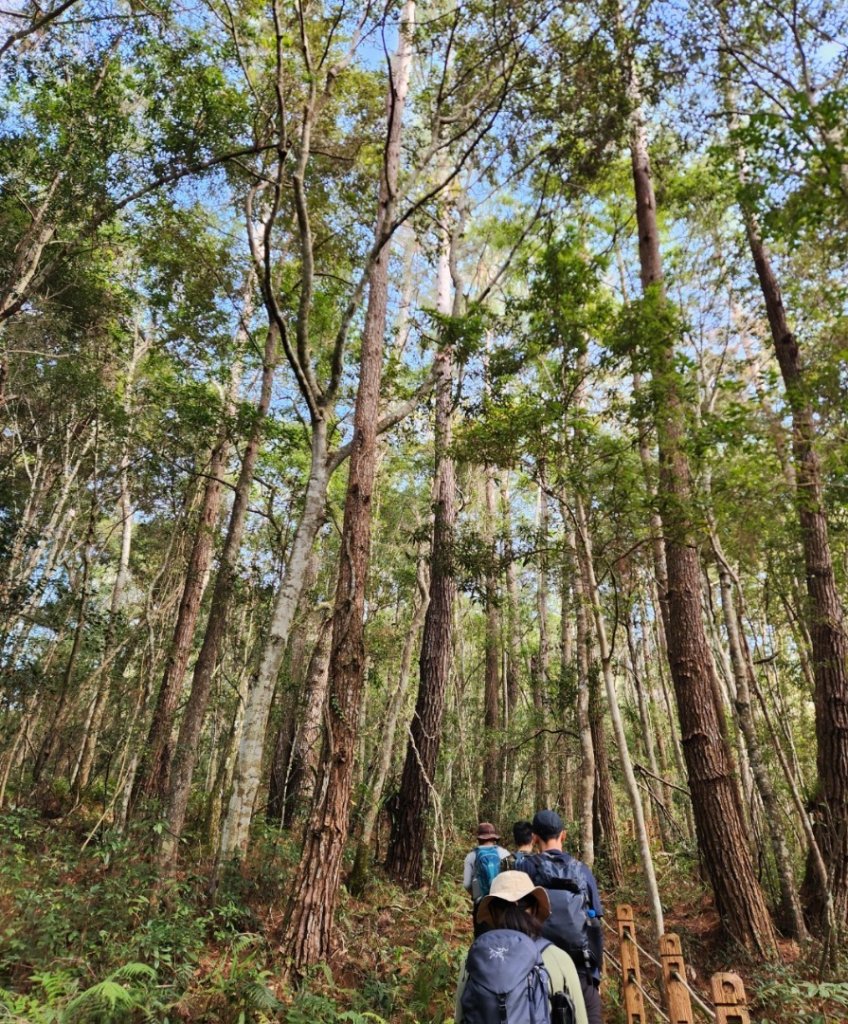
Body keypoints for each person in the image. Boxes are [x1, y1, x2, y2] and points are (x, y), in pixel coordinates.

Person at [454, 870, 588, 1024]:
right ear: (535, 908)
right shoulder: (558, 959)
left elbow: (460, 1019)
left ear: (492, 912)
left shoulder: (473, 961)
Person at [518, 810, 604, 1024]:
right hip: (580, 967)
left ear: (535, 837)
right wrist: (595, 976)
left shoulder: (525, 868)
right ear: (563, 835)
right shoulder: (582, 871)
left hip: (537, 967)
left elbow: (515, 919)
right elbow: (595, 922)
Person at [463, 822, 510, 936]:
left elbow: (466, 884)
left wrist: (476, 895)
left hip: (481, 903)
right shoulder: (504, 853)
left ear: (479, 838)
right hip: (502, 903)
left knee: (482, 937)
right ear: (494, 838)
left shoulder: (471, 856)